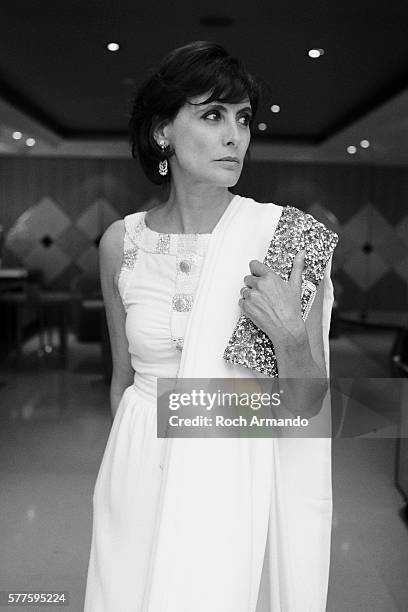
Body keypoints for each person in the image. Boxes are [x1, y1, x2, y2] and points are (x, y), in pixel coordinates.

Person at [84, 40, 335, 612]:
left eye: (244, 119)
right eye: (212, 114)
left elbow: (308, 404)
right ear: (161, 133)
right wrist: (125, 470)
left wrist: (289, 335)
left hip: (229, 471)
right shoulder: (121, 244)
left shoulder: (284, 239)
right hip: (136, 469)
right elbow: (122, 379)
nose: (235, 135)